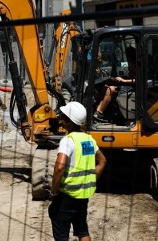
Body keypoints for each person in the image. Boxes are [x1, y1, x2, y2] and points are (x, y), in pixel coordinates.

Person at [49, 101, 106, 241]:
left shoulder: (68, 140)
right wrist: (91, 179)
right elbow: (103, 161)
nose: (61, 119)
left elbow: (60, 167)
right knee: (82, 231)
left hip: (66, 196)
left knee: (61, 232)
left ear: (68, 121)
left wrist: (53, 191)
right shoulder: (88, 139)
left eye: (63, 117)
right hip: (83, 196)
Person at [93, 46, 136, 123]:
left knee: (110, 89)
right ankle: (97, 108)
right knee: (106, 87)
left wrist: (124, 80)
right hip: (128, 85)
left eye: (128, 55)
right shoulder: (131, 64)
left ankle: (99, 113)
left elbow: (138, 80)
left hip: (133, 87)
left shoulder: (138, 66)